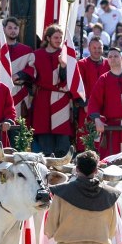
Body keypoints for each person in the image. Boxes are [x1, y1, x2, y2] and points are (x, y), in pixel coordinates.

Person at [31, 24, 74, 157]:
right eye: (56, 37)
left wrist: (63, 65)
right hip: (43, 98)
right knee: (45, 137)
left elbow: (69, 79)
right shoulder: (37, 55)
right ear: (48, 38)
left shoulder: (65, 55)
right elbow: (31, 75)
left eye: (60, 38)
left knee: (62, 138)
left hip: (61, 99)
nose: (58, 40)